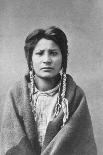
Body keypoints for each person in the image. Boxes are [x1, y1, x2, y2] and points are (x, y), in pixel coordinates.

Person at [0, 26, 97, 155]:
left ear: (63, 58)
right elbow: (10, 141)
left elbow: (83, 145)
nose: (47, 60)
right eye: (40, 53)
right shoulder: (16, 94)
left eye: (53, 53)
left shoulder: (75, 96)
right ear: (30, 59)